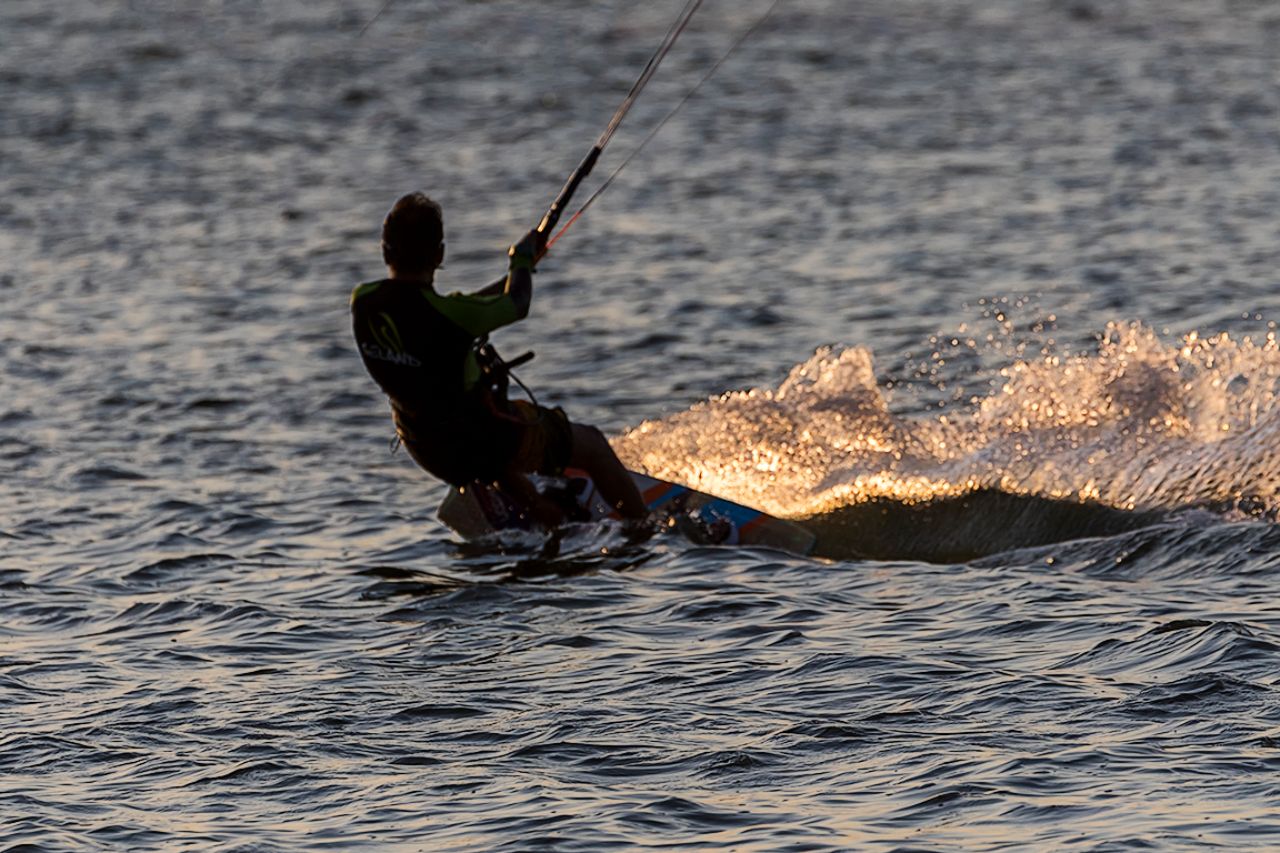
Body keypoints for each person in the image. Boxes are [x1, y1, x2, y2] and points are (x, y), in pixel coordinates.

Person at [350, 192, 648, 526]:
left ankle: (546, 514)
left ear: (384, 250)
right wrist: (519, 261)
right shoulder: (453, 316)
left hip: (428, 448)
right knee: (591, 443)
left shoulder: (363, 301)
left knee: (477, 425)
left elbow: (445, 315)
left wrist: (519, 274)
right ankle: (642, 529)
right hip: (480, 442)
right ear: (440, 254)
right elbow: (515, 305)